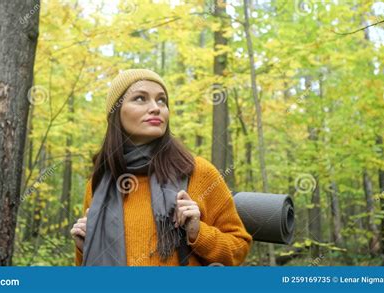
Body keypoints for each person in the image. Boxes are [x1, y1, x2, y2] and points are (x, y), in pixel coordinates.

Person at [71, 68, 252, 266]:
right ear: (116, 112)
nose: (156, 108)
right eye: (140, 98)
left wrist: (197, 231)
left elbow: (238, 248)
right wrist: (84, 247)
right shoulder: (99, 184)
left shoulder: (197, 171)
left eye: (161, 100)